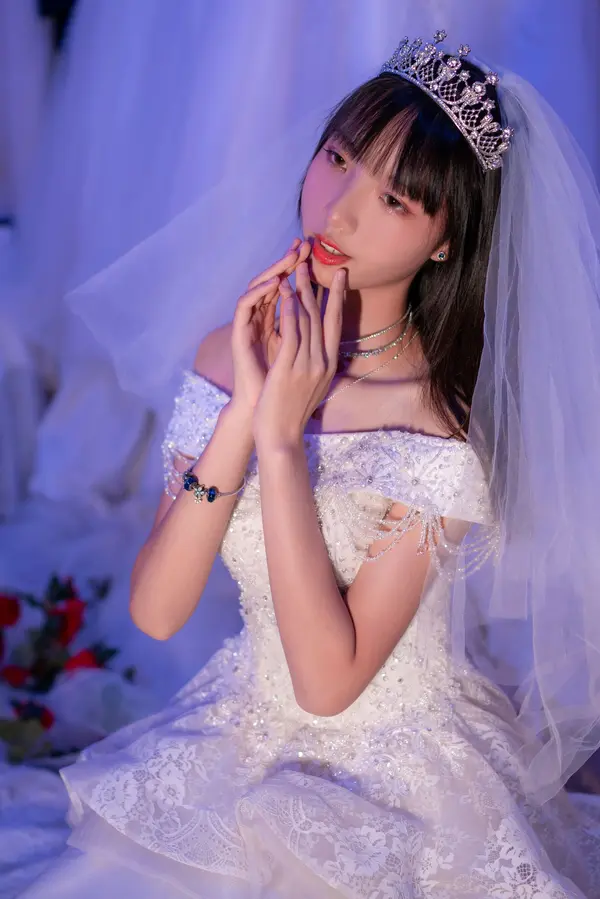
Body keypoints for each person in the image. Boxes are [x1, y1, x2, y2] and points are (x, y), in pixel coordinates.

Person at [18, 33, 600, 897]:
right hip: (240, 736)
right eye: (338, 158)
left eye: (394, 199)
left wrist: (284, 441)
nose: (340, 211)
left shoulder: (438, 424)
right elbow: (158, 609)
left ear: (446, 241)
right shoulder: (230, 354)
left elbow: (328, 684)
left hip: (399, 784)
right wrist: (245, 409)